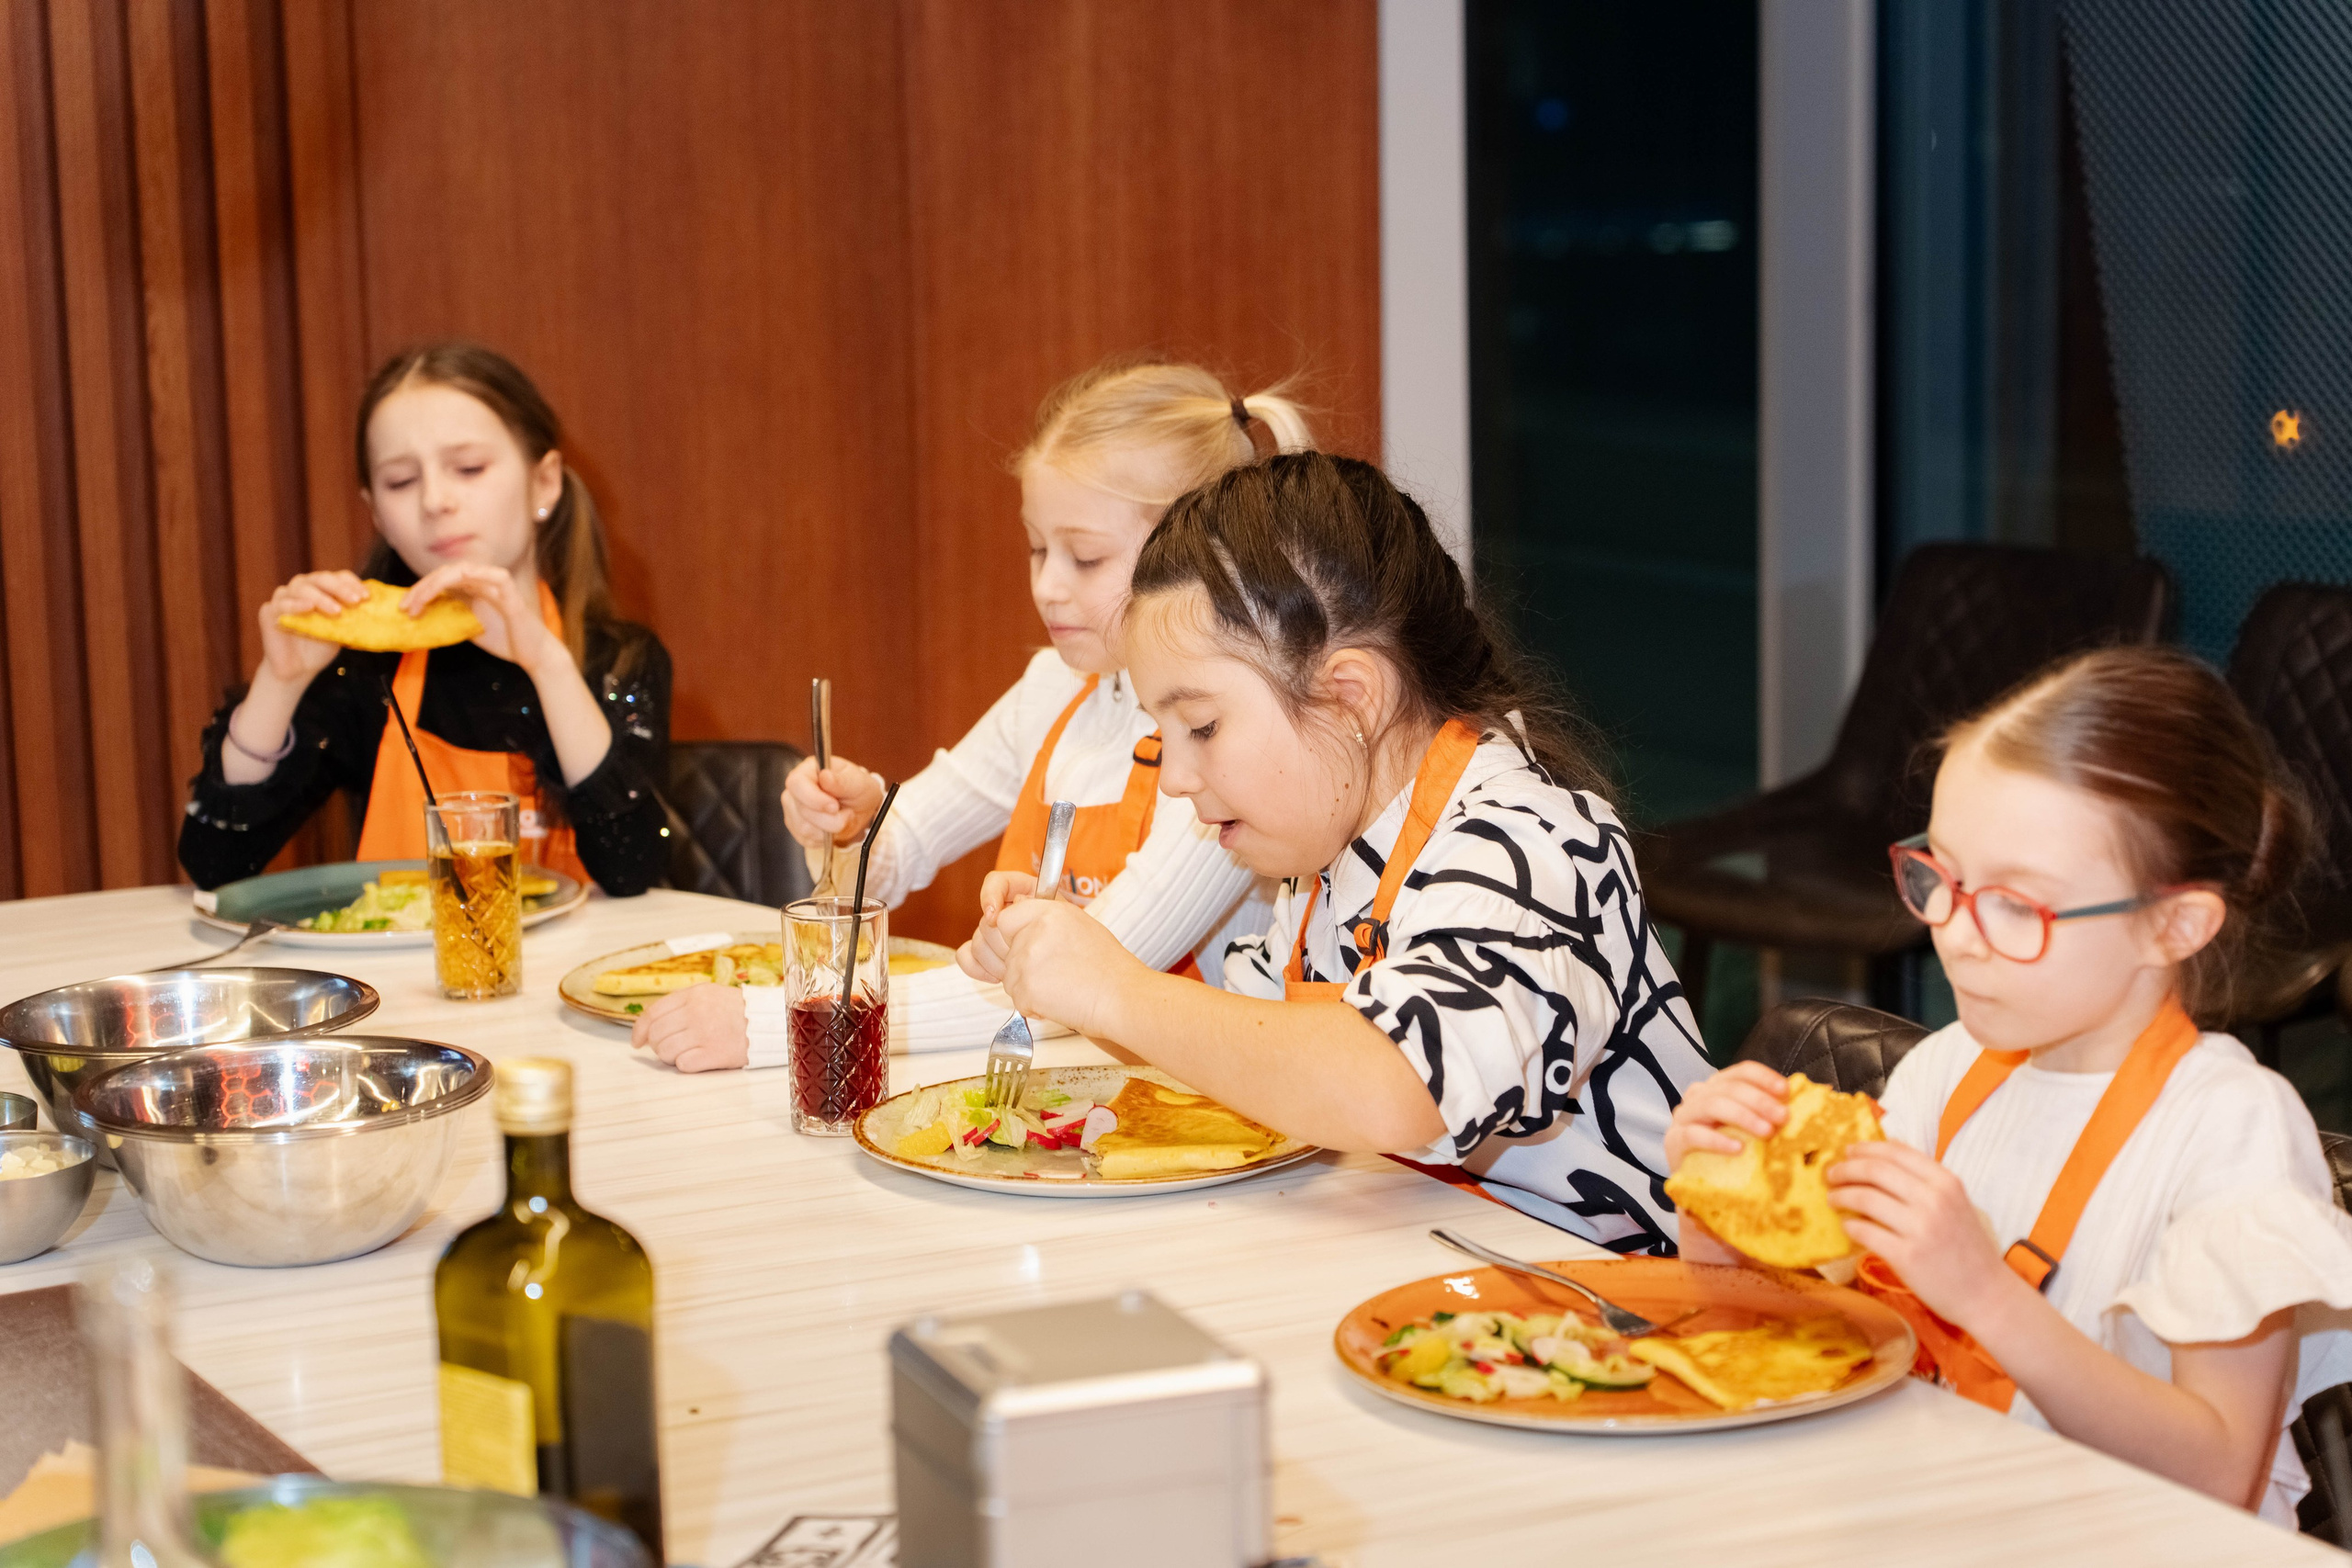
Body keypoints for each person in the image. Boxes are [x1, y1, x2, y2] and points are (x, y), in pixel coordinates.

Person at [1668, 646, 2352, 1524]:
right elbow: (1821, 1343)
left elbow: (2219, 1474)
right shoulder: (1949, 1072)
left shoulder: (2231, 1131)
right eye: (1942, 876)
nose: (1954, 933)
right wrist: (1720, 1215)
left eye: (2017, 905)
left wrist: (1985, 1293)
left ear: (2174, 924)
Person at [969, 451, 1711, 1253]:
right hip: (1451, 1274)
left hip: (1638, 1315)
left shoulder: (1530, 843)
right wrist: (1067, 962)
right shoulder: (1327, 860)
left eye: (1204, 727)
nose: (1176, 777)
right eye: (1164, 734)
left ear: (1351, 695)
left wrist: (1111, 989)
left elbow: (1395, 1082)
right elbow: (1245, 1047)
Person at [632, 360, 1312, 1069]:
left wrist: (789, 1024)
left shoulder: (1220, 752)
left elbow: (1077, 979)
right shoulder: (1054, 688)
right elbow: (895, 856)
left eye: (1085, 557)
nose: (1048, 586)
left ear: (1191, 554)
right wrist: (853, 829)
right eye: (1037, 548)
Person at [178, 343, 672, 895]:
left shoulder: (618, 661)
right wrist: (280, 684)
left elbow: (632, 869)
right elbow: (215, 863)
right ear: (377, 514)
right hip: (407, 979)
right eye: (400, 482)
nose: (435, 500)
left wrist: (548, 665)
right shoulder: (364, 671)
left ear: (545, 482)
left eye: (468, 468)